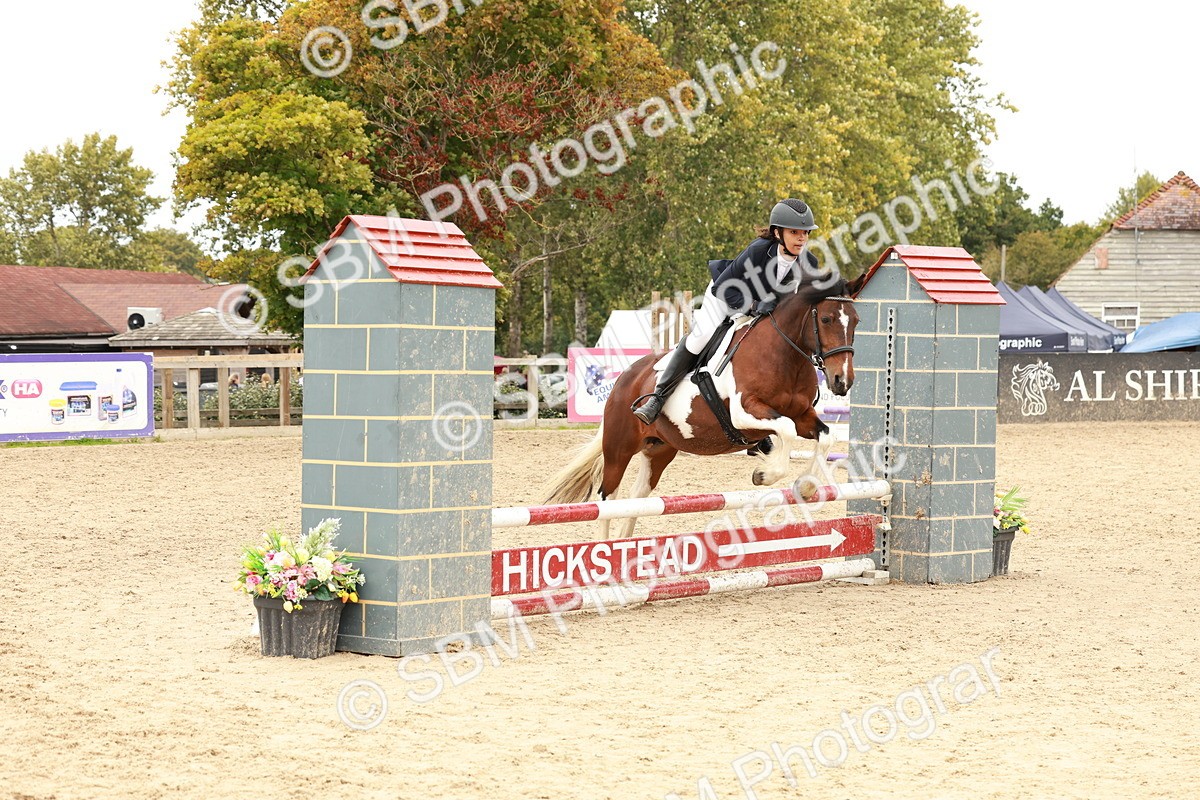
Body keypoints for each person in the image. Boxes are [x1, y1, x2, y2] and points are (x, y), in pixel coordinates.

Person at [631, 198, 822, 425]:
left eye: (806, 233)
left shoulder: (809, 262)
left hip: (763, 309)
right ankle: (657, 397)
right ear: (778, 233)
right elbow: (722, 287)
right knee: (700, 338)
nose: (802, 238)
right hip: (725, 297)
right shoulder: (759, 251)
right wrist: (752, 306)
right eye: (794, 232)